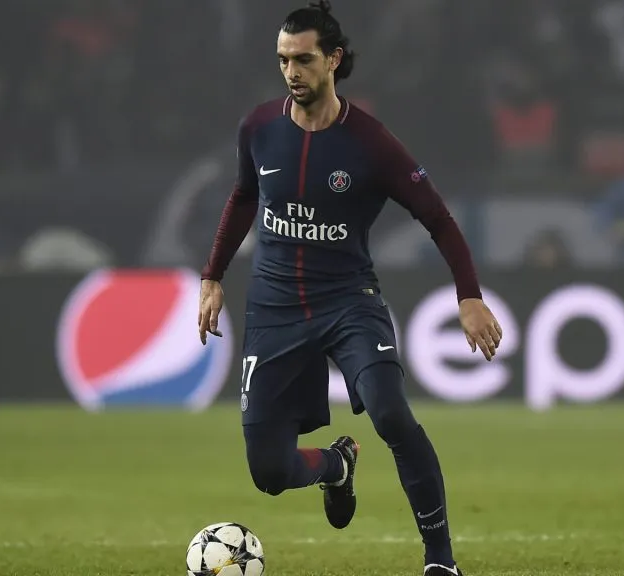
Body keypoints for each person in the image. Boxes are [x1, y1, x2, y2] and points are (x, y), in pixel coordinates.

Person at [196, 3, 502, 575]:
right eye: (284, 60)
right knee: (268, 472)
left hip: (347, 303)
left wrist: (468, 296)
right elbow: (242, 198)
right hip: (274, 309)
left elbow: (438, 218)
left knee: (390, 413)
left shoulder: (372, 144)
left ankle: (441, 562)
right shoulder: (258, 128)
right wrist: (212, 276)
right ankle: (335, 467)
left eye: (304, 59)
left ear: (333, 59)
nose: (292, 71)